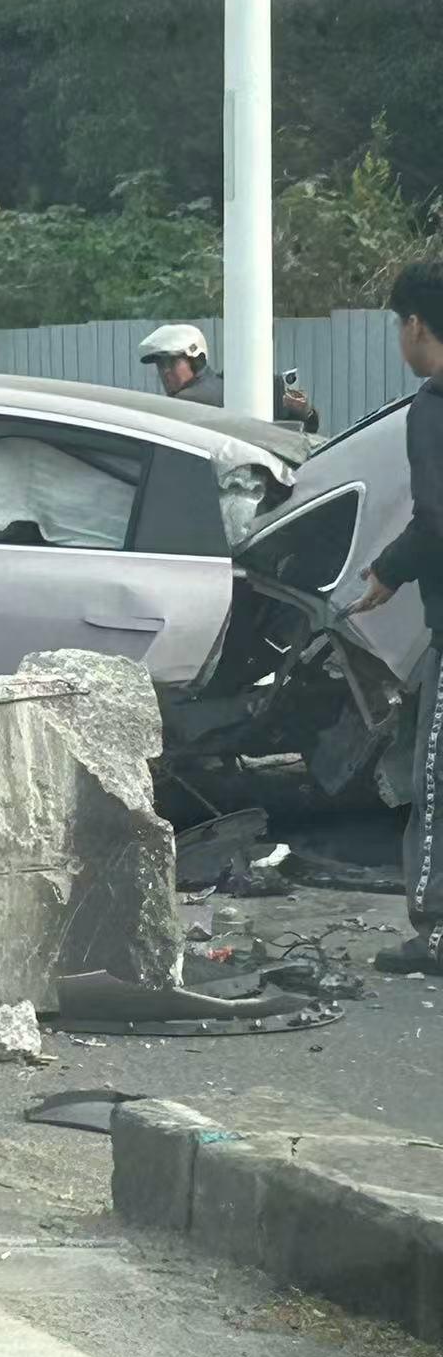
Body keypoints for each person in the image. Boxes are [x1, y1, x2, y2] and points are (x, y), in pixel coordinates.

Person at [345, 262, 443, 975]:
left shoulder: (433, 405)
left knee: (433, 779)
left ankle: (435, 931)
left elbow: (436, 516)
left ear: (414, 324)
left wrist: (387, 570)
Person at [138, 324, 321, 431]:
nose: (165, 371)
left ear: (195, 360)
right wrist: (306, 413)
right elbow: (308, 428)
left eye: (172, 362)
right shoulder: (229, 386)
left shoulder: (187, 401)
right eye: (160, 365)